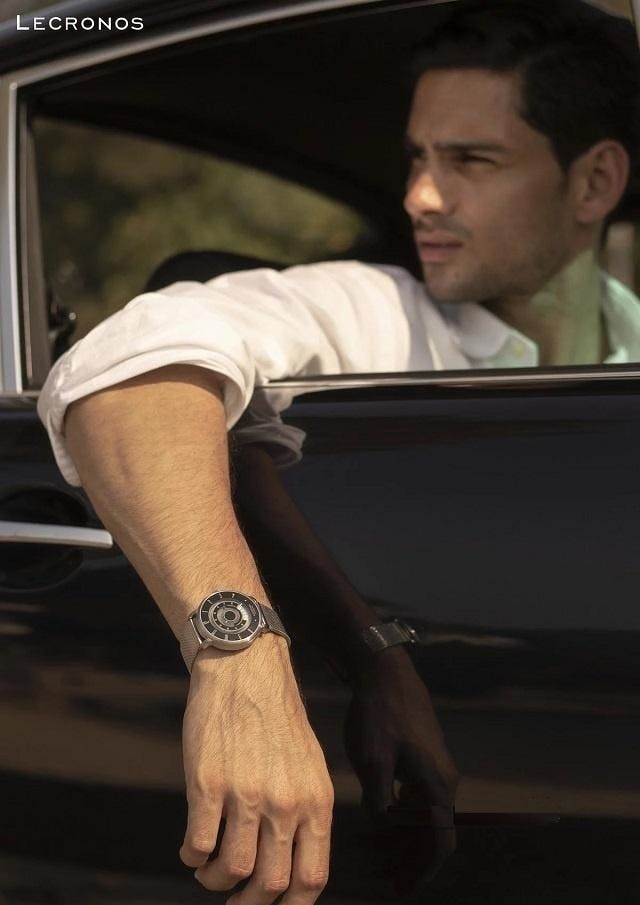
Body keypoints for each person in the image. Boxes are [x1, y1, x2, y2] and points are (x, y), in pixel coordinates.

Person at [37, 0, 640, 901]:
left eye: (471, 160)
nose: (420, 196)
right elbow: (127, 369)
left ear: (593, 183)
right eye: (418, 158)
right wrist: (240, 658)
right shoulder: (376, 306)